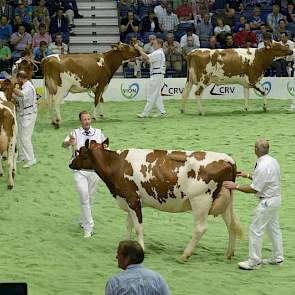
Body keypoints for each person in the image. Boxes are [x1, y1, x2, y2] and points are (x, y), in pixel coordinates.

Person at [223, 139, 284, 270]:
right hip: (276, 199)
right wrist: (248, 175)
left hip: (267, 201)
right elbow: (266, 179)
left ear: (256, 150)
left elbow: (254, 189)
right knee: (274, 229)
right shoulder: (273, 161)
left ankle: (254, 261)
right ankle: (278, 257)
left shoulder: (262, 166)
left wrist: (236, 186)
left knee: (256, 230)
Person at [62, 111, 106, 238]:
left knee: (90, 198)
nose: (86, 121)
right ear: (80, 121)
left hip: (94, 171)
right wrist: (69, 142)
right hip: (79, 171)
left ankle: (83, 220)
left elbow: (105, 149)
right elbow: (63, 145)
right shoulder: (74, 133)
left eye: (88, 119)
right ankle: (89, 227)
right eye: (84, 119)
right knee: (84, 196)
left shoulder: (98, 132)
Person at [105, 240, 171, 295]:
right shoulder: (158, 279)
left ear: (127, 258)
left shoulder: (115, 282)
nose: (116, 257)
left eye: (118, 254)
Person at [135, 38, 167, 118]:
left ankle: (145, 113)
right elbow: (147, 59)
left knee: (151, 95)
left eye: (155, 43)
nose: (153, 45)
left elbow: (146, 57)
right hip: (157, 75)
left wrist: (139, 49)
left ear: (159, 44)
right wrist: (139, 57)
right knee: (157, 95)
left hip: (156, 75)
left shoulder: (158, 53)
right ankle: (162, 112)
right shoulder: (159, 53)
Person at [12, 70, 37, 168]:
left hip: (29, 115)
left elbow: (21, 94)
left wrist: (12, 87)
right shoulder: (25, 86)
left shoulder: (29, 87)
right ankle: (22, 156)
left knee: (25, 137)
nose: (17, 81)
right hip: (22, 114)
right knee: (19, 136)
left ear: (20, 78)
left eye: (17, 79)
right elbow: (19, 98)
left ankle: (31, 159)